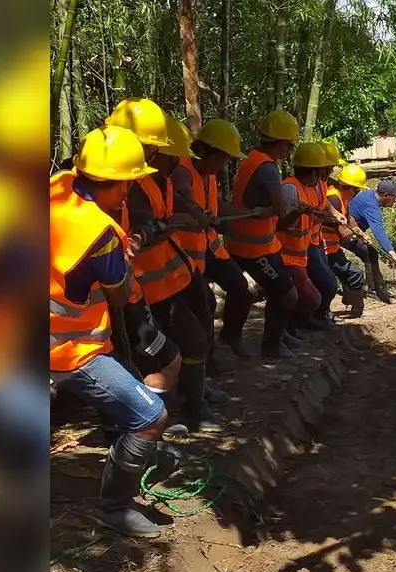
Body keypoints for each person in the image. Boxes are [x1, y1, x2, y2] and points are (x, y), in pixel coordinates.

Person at [50, 126, 172, 537]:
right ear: (115, 182)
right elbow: (120, 297)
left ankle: (139, 455)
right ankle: (113, 506)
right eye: (128, 185)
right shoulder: (99, 235)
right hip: (68, 348)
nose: (128, 195)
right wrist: (121, 258)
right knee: (150, 415)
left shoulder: (57, 187)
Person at [107, 99, 225, 431]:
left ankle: (191, 404)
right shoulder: (128, 185)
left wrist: (191, 218)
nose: (176, 159)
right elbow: (143, 230)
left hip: (168, 282)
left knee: (191, 343)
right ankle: (161, 416)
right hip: (139, 288)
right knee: (155, 356)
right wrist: (170, 226)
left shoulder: (162, 179)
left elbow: (169, 215)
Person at [177, 119, 254, 364]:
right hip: (184, 254)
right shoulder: (181, 171)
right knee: (205, 304)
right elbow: (185, 202)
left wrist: (245, 214)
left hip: (209, 248)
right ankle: (206, 359)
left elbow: (216, 203)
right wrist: (199, 216)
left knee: (241, 288)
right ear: (207, 151)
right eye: (224, 157)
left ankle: (231, 336)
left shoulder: (209, 174)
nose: (225, 164)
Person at [228, 109, 300, 359]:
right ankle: (270, 344)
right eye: (289, 145)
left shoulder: (252, 158)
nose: (288, 151)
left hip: (261, 243)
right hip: (253, 247)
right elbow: (283, 212)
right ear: (279, 143)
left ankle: (273, 336)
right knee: (287, 295)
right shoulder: (268, 169)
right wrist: (298, 210)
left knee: (276, 292)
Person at [280, 142, 338, 331]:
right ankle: (293, 326)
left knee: (321, 288)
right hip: (289, 256)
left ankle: (298, 325)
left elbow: (317, 208)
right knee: (313, 293)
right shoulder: (290, 189)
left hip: (304, 251)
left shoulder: (307, 187)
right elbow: (280, 223)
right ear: (312, 171)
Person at [321, 159, 367, 317]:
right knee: (354, 274)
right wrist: (357, 236)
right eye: (358, 190)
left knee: (347, 276)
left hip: (332, 247)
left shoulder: (340, 197)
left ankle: (349, 301)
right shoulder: (333, 199)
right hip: (325, 249)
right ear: (353, 188)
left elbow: (348, 218)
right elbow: (343, 232)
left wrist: (361, 232)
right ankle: (355, 310)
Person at [348, 179, 396, 303]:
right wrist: (391, 251)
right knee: (369, 253)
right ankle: (373, 290)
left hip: (355, 230)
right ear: (386, 196)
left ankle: (379, 288)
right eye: (393, 197)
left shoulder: (371, 195)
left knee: (371, 253)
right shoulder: (371, 206)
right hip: (345, 233)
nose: (395, 200)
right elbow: (378, 231)